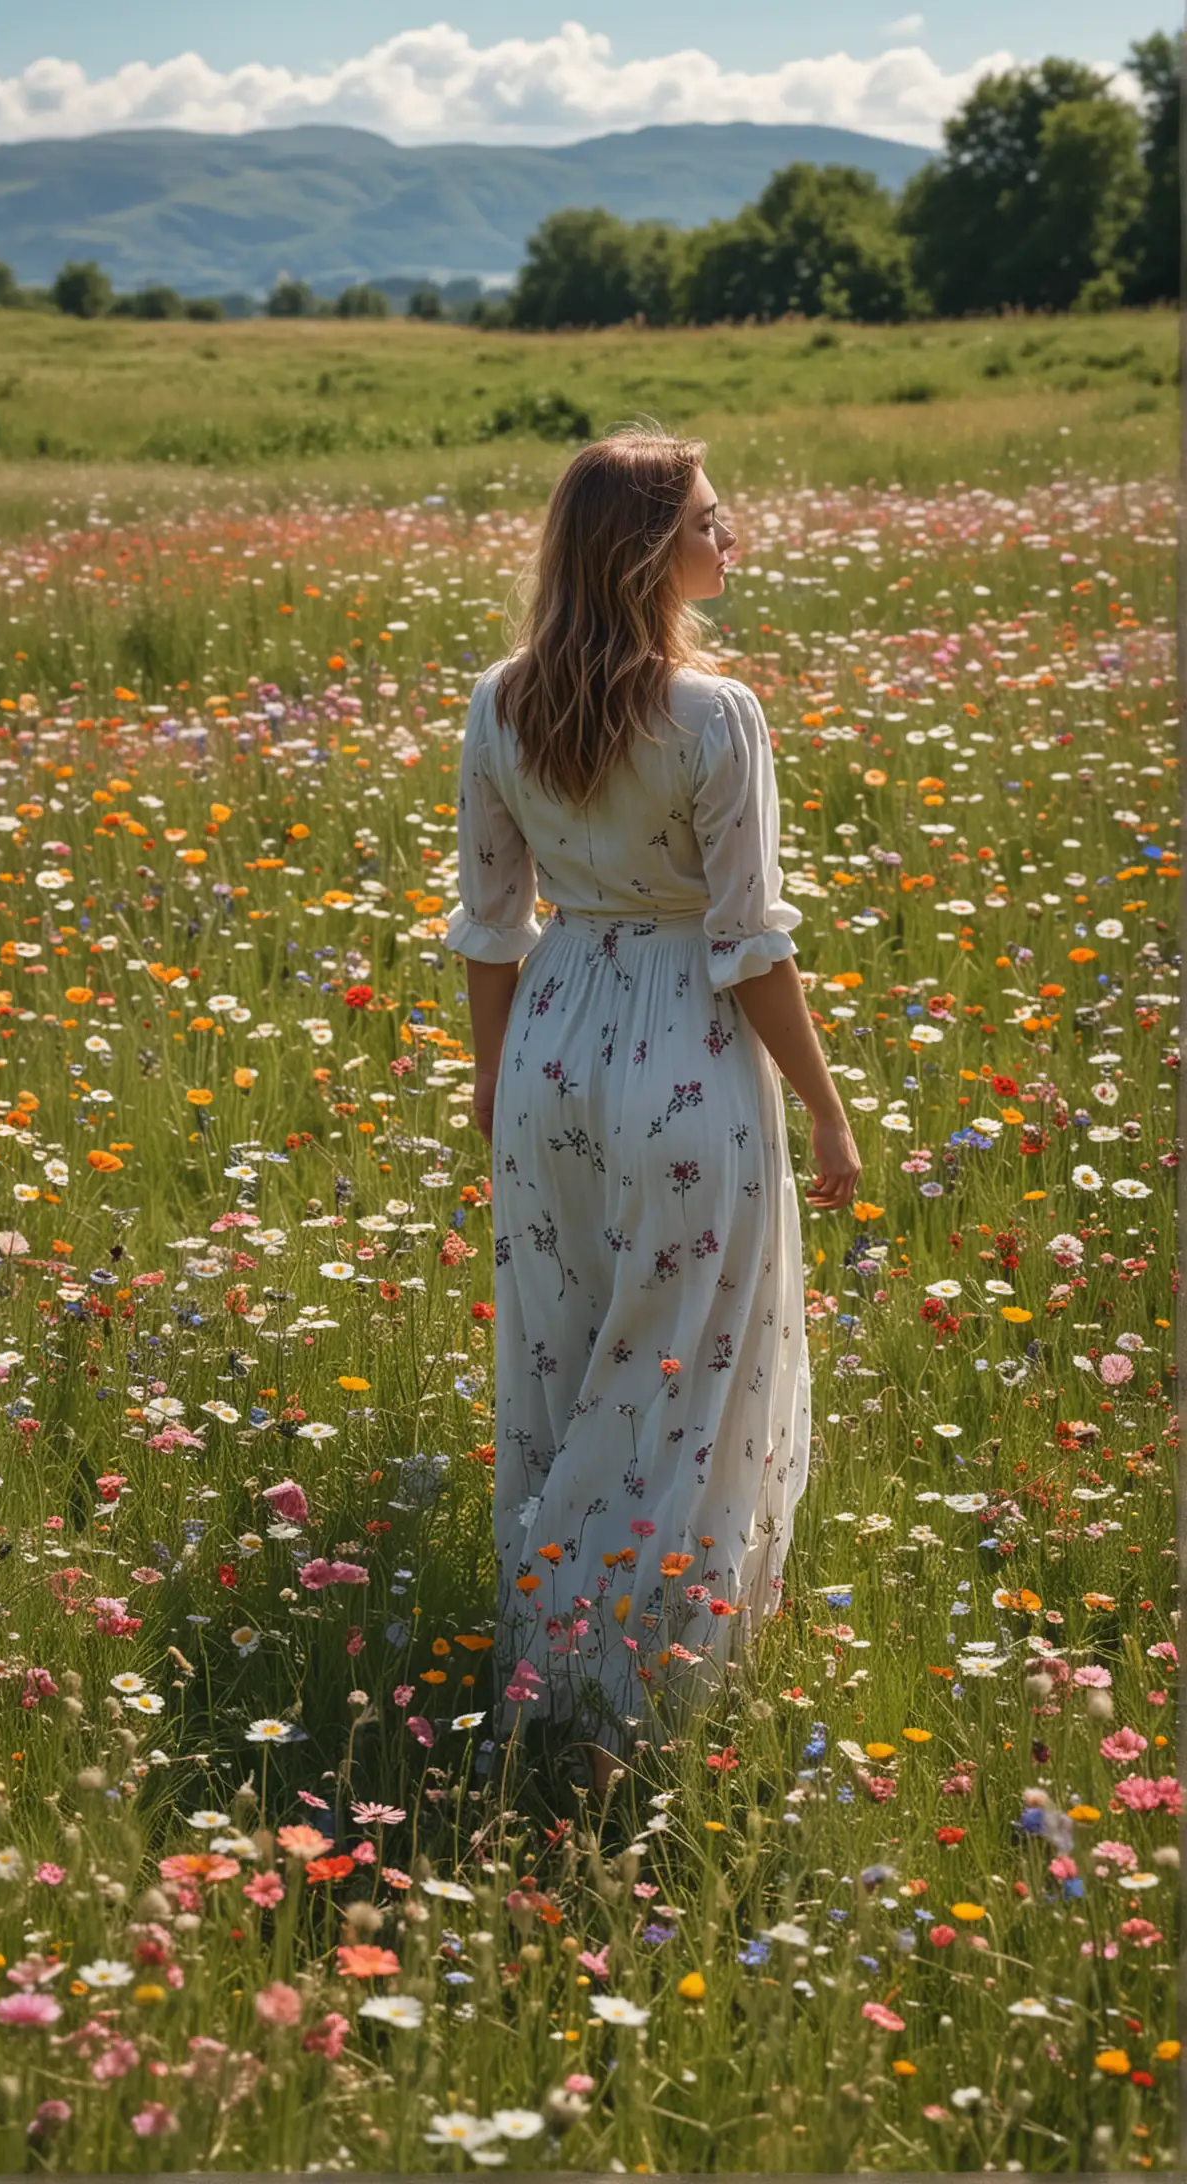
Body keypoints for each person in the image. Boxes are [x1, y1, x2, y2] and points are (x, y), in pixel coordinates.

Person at [443, 425, 862, 1800]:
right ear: (646, 550)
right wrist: (828, 1108)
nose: (728, 540)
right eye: (708, 521)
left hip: (554, 1044)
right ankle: (642, 1687)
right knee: (694, 1376)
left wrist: (499, 1087)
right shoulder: (713, 714)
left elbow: (489, 932)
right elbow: (749, 943)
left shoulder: (501, 701)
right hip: (686, 1042)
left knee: (565, 1366)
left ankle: (542, 1656)